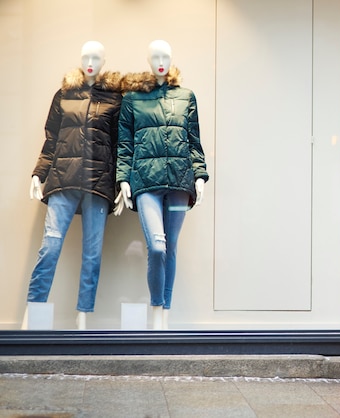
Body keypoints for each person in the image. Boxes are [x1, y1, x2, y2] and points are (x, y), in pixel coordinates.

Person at [24, 41, 123, 330]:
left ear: (104, 61)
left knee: (92, 253)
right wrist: (38, 174)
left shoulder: (115, 98)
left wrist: (120, 184)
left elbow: (119, 145)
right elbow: (51, 139)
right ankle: (33, 313)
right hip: (63, 179)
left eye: (96, 57)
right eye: (86, 56)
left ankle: (83, 319)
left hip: (98, 182)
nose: (91, 61)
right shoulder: (64, 94)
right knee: (50, 246)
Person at [115, 40, 209, 330]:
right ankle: (157, 305)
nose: (160, 61)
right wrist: (123, 179)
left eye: (165, 56)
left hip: (180, 181)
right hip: (145, 181)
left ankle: (163, 316)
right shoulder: (132, 99)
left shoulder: (186, 97)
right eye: (155, 56)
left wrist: (200, 175)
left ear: (171, 59)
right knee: (157, 246)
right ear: (147, 60)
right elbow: (125, 144)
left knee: (171, 248)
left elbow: (194, 140)